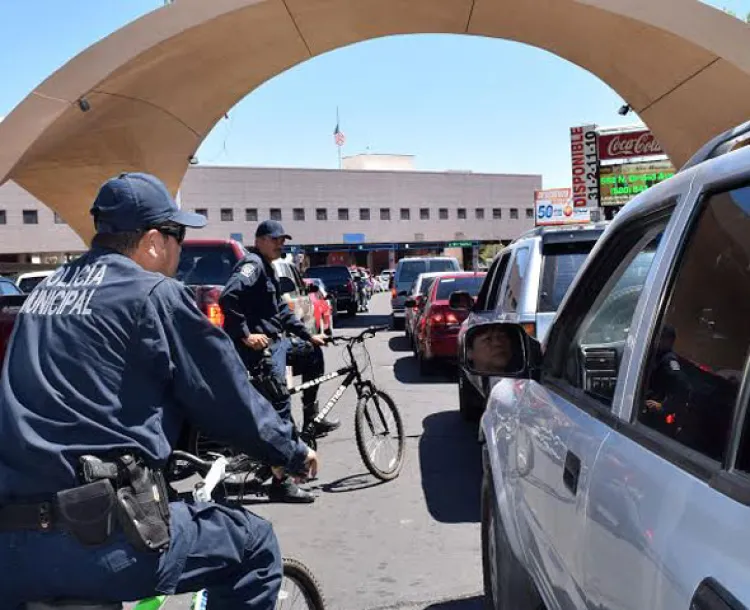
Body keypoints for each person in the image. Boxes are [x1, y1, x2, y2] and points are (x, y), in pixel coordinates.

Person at [0, 172, 318, 609]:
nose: (180, 250)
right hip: (99, 540)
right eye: (179, 236)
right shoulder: (153, 294)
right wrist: (291, 454)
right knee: (254, 547)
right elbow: (226, 397)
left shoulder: (42, 295)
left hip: (11, 548)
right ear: (153, 240)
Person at [219, 220, 340, 504]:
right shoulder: (252, 265)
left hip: (278, 343)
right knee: (280, 408)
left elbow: (280, 314)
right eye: (274, 239)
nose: (279, 244)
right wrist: (247, 335)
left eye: (282, 240)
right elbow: (228, 296)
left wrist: (309, 336)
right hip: (258, 351)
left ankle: (312, 416)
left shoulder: (269, 268)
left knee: (312, 354)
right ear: (259, 240)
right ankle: (281, 482)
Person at [641, 324, 691, 436]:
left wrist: (663, 407)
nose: (655, 340)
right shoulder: (655, 355)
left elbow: (684, 386)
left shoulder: (668, 360)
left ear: (668, 341)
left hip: (654, 418)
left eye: (660, 337)